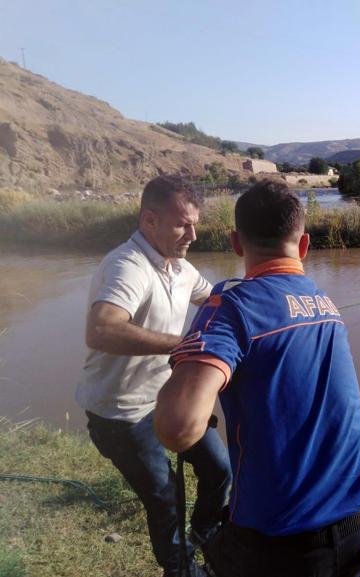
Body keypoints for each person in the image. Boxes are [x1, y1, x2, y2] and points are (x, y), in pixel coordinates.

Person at [154, 180, 360, 577]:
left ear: (236, 243)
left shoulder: (231, 305)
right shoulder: (324, 302)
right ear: (305, 245)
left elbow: (178, 428)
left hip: (284, 545)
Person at [75, 175, 231, 577]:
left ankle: (206, 538)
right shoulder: (129, 266)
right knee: (166, 497)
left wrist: (268, 294)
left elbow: (217, 298)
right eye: (183, 224)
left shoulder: (178, 267)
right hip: (120, 414)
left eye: (195, 223)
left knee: (219, 469)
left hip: (163, 402)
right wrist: (180, 345)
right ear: (149, 220)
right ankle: (181, 570)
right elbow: (102, 329)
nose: (193, 234)